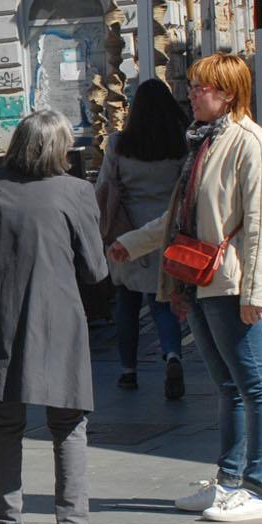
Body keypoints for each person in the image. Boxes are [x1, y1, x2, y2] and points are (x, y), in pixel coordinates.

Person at [110, 53, 262, 523]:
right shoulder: (205, 142)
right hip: (201, 282)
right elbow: (179, 217)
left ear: (228, 93)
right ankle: (230, 482)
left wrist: (257, 292)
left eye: (202, 87)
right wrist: (131, 243)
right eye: (192, 86)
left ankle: (261, 488)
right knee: (227, 386)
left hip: (230, 284)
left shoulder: (251, 145)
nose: (192, 93)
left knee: (257, 387)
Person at [0, 110, 108, 524]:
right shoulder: (77, 191)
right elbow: (95, 270)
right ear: (58, 149)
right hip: (59, 322)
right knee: (69, 427)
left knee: (4, 425)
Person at [94, 79, 190, 397]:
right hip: (166, 231)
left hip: (127, 232)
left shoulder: (119, 144)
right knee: (163, 299)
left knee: (126, 302)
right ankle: (173, 355)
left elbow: (104, 188)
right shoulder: (180, 144)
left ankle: (128, 370)